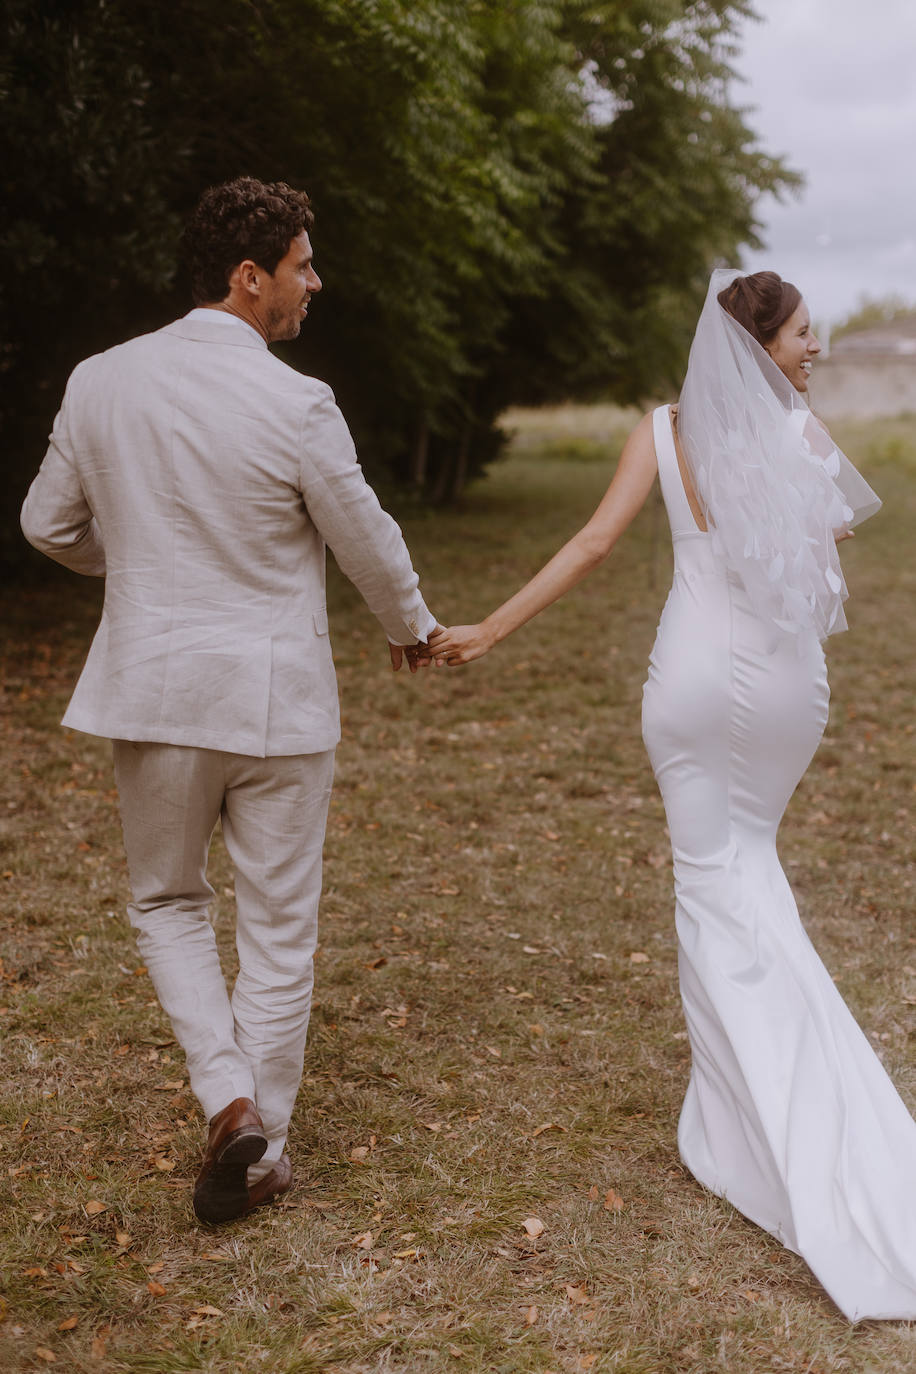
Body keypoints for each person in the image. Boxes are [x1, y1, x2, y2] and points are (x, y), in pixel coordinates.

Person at [429, 269, 916, 1322]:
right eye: (801, 335)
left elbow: (594, 542)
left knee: (711, 882)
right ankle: (751, 1105)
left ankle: (736, 1124)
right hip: (783, 687)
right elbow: (831, 545)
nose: (814, 349)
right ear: (759, 345)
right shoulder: (798, 435)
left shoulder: (660, 427)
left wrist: (490, 628)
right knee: (753, 868)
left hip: (691, 679)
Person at [21, 176, 439, 1225]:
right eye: (303, 264)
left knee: (166, 902)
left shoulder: (99, 381)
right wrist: (411, 629)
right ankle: (263, 1148)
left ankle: (228, 1099)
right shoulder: (295, 401)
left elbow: (47, 524)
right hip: (275, 703)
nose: (315, 282)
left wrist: (148, 562)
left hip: (154, 691)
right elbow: (367, 538)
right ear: (248, 278)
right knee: (279, 927)